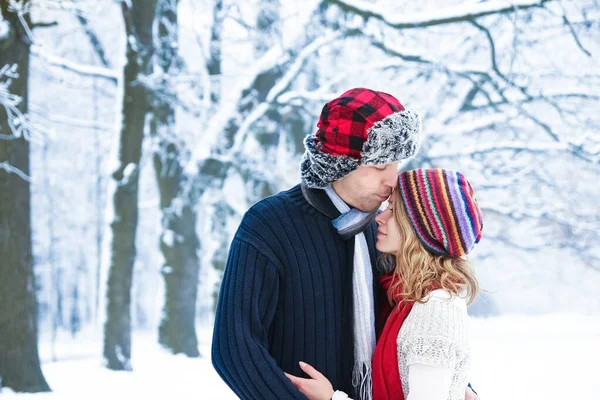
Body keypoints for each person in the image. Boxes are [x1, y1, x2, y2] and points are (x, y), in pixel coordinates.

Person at [211, 88, 478, 400]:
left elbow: (418, 330)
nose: (392, 180)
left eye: (396, 164)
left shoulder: (384, 233)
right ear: (341, 163)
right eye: (380, 166)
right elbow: (234, 348)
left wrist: (457, 386)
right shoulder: (270, 224)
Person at [285, 168, 483, 400]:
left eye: (393, 210)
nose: (379, 217)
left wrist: (331, 398)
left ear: (423, 230)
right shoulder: (408, 297)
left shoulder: (436, 310)